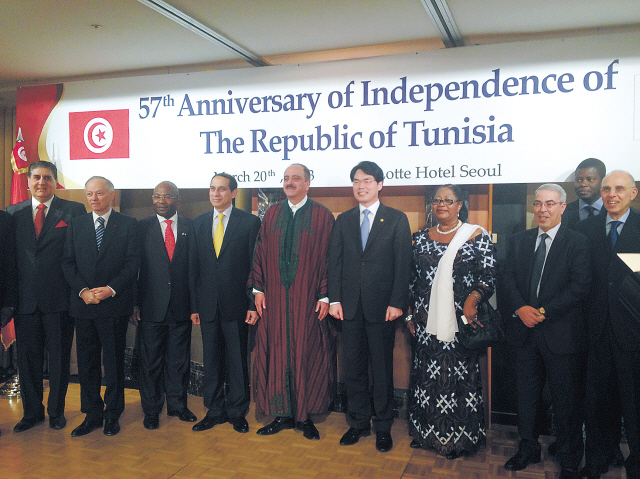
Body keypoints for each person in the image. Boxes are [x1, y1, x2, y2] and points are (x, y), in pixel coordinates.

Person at [500, 184, 590, 479]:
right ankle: (528, 448)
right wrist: (520, 308)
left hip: (561, 334)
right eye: (538, 204)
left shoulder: (577, 242)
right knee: (525, 396)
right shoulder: (518, 241)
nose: (542, 209)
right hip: (524, 333)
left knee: (566, 400)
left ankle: (568, 456)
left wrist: (543, 311)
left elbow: (579, 287)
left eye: (550, 203)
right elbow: (507, 278)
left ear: (563, 207)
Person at [405, 184, 496, 459]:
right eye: (437, 200)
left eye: (448, 200)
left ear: (460, 205)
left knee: (458, 380)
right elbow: (411, 281)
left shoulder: (476, 235)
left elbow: (489, 276)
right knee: (426, 380)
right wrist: (409, 314)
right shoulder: (419, 238)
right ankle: (426, 434)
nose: (441, 204)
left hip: (459, 324)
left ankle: (459, 439)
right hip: (425, 324)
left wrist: (474, 299)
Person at [328, 160, 412, 453]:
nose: (360, 186)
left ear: (379, 185)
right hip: (348, 308)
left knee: (382, 369)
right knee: (353, 368)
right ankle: (358, 423)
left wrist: (397, 302)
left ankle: (383, 427)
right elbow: (334, 263)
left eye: (366, 181)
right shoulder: (344, 219)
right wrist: (334, 299)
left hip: (382, 308)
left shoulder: (397, 219)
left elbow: (403, 265)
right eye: (356, 181)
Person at [250, 163, 335, 440]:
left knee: (306, 353)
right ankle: (281, 414)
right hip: (274, 300)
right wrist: (258, 289)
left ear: (308, 183)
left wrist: (325, 293)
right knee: (276, 354)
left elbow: (329, 259)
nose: (290, 182)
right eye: (286, 178)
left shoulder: (322, 216)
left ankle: (305, 416)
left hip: (308, 301)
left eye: (296, 178)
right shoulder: (272, 213)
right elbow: (260, 252)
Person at [6, 161, 86, 432]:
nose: (42, 182)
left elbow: (79, 256)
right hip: (25, 302)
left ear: (55, 182)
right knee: (27, 362)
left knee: (60, 361)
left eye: (48, 178)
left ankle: (56, 412)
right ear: (28, 181)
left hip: (60, 301)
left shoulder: (73, 210)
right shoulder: (12, 213)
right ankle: (31, 414)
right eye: (37, 177)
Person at [62, 176, 139, 437]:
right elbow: (68, 263)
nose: (93, 199)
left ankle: (112, 414)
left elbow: (132, 263)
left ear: (111, 195)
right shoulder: (77, 224)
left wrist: (110, 290)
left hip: (113, 304)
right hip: (84, 305)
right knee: (87, 362)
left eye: (99, 193)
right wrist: (83, 291)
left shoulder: (128, 224)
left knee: (114, 362)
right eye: (89, 194)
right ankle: (92, 413)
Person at [575, 170, 640, 479]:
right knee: (598, 407)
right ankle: (598, 463)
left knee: (636, 407)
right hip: (596, 333)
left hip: (634, 335)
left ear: (632, 194)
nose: (611, 194)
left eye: (619, 188)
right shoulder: (584, 229)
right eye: (606, 189)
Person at [189, 173, 260, 434]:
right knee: (212, 359)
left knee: (237, 361)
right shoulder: (198, 224)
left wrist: (252, 304)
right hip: (207, 306)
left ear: (233, 192)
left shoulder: (250, 223)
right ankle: (214, 410)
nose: (216, 193)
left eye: (221, 189)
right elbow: (192, 269)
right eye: (212, 189)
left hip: (238, 305)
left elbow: (255, 267)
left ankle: (237, 412)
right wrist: (194, 306)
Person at [131, 181, 196, 430]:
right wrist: (134, 304)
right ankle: (151, 409)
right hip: (150, 307)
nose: (161, 200)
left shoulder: (192, 226)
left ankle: (178, 406)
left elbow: (194, 270)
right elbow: (134, 268)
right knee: (150, 362)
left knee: (179, 360)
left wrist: (195, 305)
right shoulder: (141, 227)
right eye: (157, 196)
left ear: (177, 199)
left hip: (181, 306)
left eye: (167, 197)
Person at [563, 158, 606, 229]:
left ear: (603, 181)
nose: (583, 184)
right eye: (578, 180)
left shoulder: (613, 209)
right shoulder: (565, 212)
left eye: (590, 179)